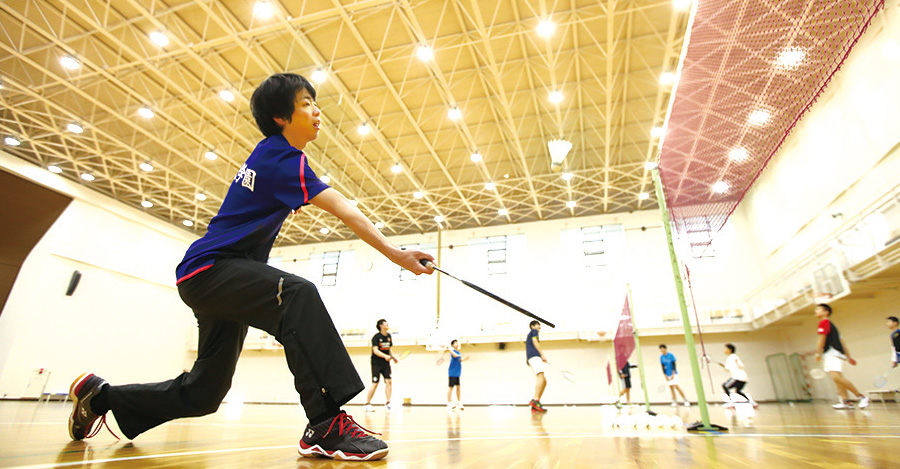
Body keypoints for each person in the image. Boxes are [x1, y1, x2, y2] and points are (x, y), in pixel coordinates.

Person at [66, 73, 434, 462]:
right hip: (211, 269)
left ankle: (100, 396)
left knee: (205, 393)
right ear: (281, 117)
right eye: (306, 102)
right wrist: (394, 253)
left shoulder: (275, 155)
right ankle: (325, 424)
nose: (316, 109)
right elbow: (341, 205)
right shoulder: (280, 157)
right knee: (297, 294)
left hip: (213, 277)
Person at [815, 304, 869, 410]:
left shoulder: (824, 322)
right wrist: (848, 357)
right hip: (833, 353)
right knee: (836, 379)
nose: (815, 311)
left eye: (818, 309)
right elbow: (842, 341)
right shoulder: (832, 325)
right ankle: (846, 401)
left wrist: (817, 353)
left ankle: (861, 396)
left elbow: (821, 339)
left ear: (826, 312)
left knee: (836, 377)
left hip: (832, 353)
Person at [365, 319, 398, 412]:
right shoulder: (376, 337)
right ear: (381, 326)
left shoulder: (388, 336)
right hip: (376, 363)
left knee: (389, 381)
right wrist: (385, 356)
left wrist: (393, 357)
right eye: (386, 324)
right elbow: (375, 350)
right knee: (375, 383)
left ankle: (388, 403)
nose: (388, 325)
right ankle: (367, 403)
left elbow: (389, 349)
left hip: (386, 363)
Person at [526, 320, 548, 412]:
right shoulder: (534, 332)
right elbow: (535, 342)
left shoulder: (530, 334)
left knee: (544, 381)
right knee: (541, 378)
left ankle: (536, 402)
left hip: (532, 357)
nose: (539, 328)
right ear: (532, 326)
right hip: (535, 356)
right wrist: (542, 355)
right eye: (538, 326)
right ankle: (535, 400)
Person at [446, 340, 469, 410]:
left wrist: (465, 358)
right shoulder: (453, 352)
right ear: (452, 345)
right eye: (456, 343)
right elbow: (455, 356)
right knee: (451, 387)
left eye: (457, 343)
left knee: (458, 387)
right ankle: (449, 402)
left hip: (457, 373)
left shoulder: (458, 352)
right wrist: (449, 349)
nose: (457, 344)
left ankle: (459, 402)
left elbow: (459, 360)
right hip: (452, 373)